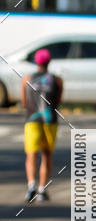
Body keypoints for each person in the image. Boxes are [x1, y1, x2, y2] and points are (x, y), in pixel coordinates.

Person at [21, 48, 63, 202]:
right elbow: (58, 102)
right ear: (49, 61)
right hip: (50, 120)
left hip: (32, 120)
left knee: (31, 155)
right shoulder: (57, 80)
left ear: (36, 62)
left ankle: (31, 185)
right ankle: (42, 189)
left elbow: (24, 102)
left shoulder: (26, 79)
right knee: (47, 155)